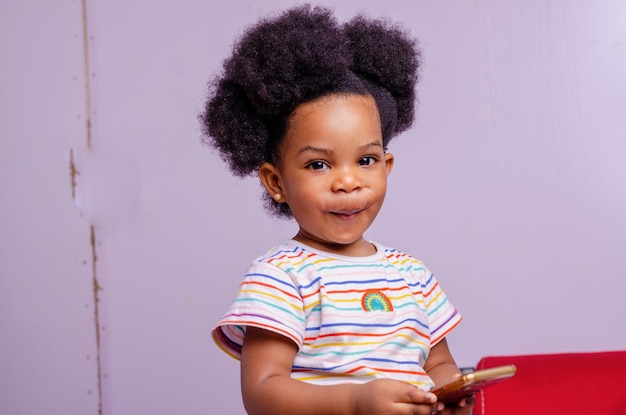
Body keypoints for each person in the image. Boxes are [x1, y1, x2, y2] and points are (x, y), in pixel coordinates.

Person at [201, 5, 474, 415]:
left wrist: (451, 395)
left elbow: (438, 364)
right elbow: (262, 393)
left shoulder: (412, 275)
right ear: (276, 182)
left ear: (387, 166)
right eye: (319, 164)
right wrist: (355, 401)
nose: (347, 181)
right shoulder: (282, 276)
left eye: (365, 160)